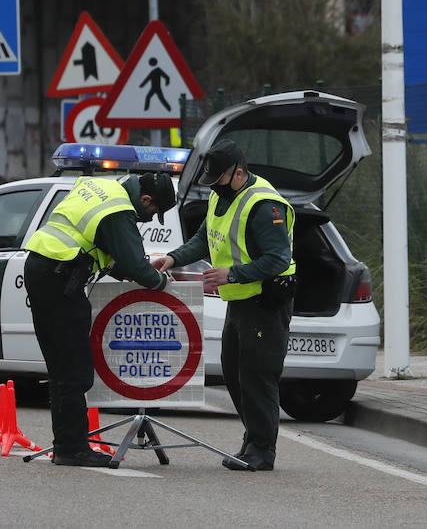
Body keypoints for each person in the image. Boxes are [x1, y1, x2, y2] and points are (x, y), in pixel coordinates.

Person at [151, 139, 295, 472]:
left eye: (218, 181)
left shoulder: (263, 205)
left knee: (258, 377)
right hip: (240, 301)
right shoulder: (223, 195)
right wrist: (174, 258)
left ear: (239, 172)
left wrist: (233, 274)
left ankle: (262, 450)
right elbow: (204, 239)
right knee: (234, 373)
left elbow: (277, 259)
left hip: (265, 300)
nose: (214, 188)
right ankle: (252, 440)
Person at [23, 168, 177, 466]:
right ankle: (72, 449)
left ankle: (67, 445)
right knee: (74, 367)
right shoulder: (119, 210)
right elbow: (134, 264)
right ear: (145, 199)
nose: (149, 218)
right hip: (60, 276)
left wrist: (130, 268)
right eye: (153, 211)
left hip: (43, 267)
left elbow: (102, 246)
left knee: (60, 365)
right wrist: (161, 282)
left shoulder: (101, 187)